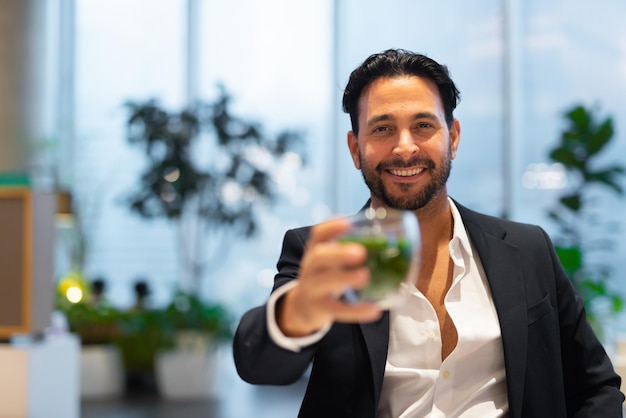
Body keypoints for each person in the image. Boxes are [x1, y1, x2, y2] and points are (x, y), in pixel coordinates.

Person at [232, 49, 624, 417]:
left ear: (452, 136)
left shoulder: (527, 249)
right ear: (356, 149)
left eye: (423, 125)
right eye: (382, 128)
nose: (405, 148)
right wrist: (300, 309)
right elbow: (262, 366)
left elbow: (596, 387)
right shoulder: (324, 253)